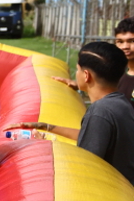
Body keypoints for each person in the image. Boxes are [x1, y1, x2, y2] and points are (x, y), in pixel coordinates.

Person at [8, 42, 134, 186]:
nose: (76, 74)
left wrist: (45, 147)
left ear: (86, 75)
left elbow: (86, 164)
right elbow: (95, 135)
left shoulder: (100, 111)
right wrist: (46, 126)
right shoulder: (121, 103)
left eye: (77, 69)